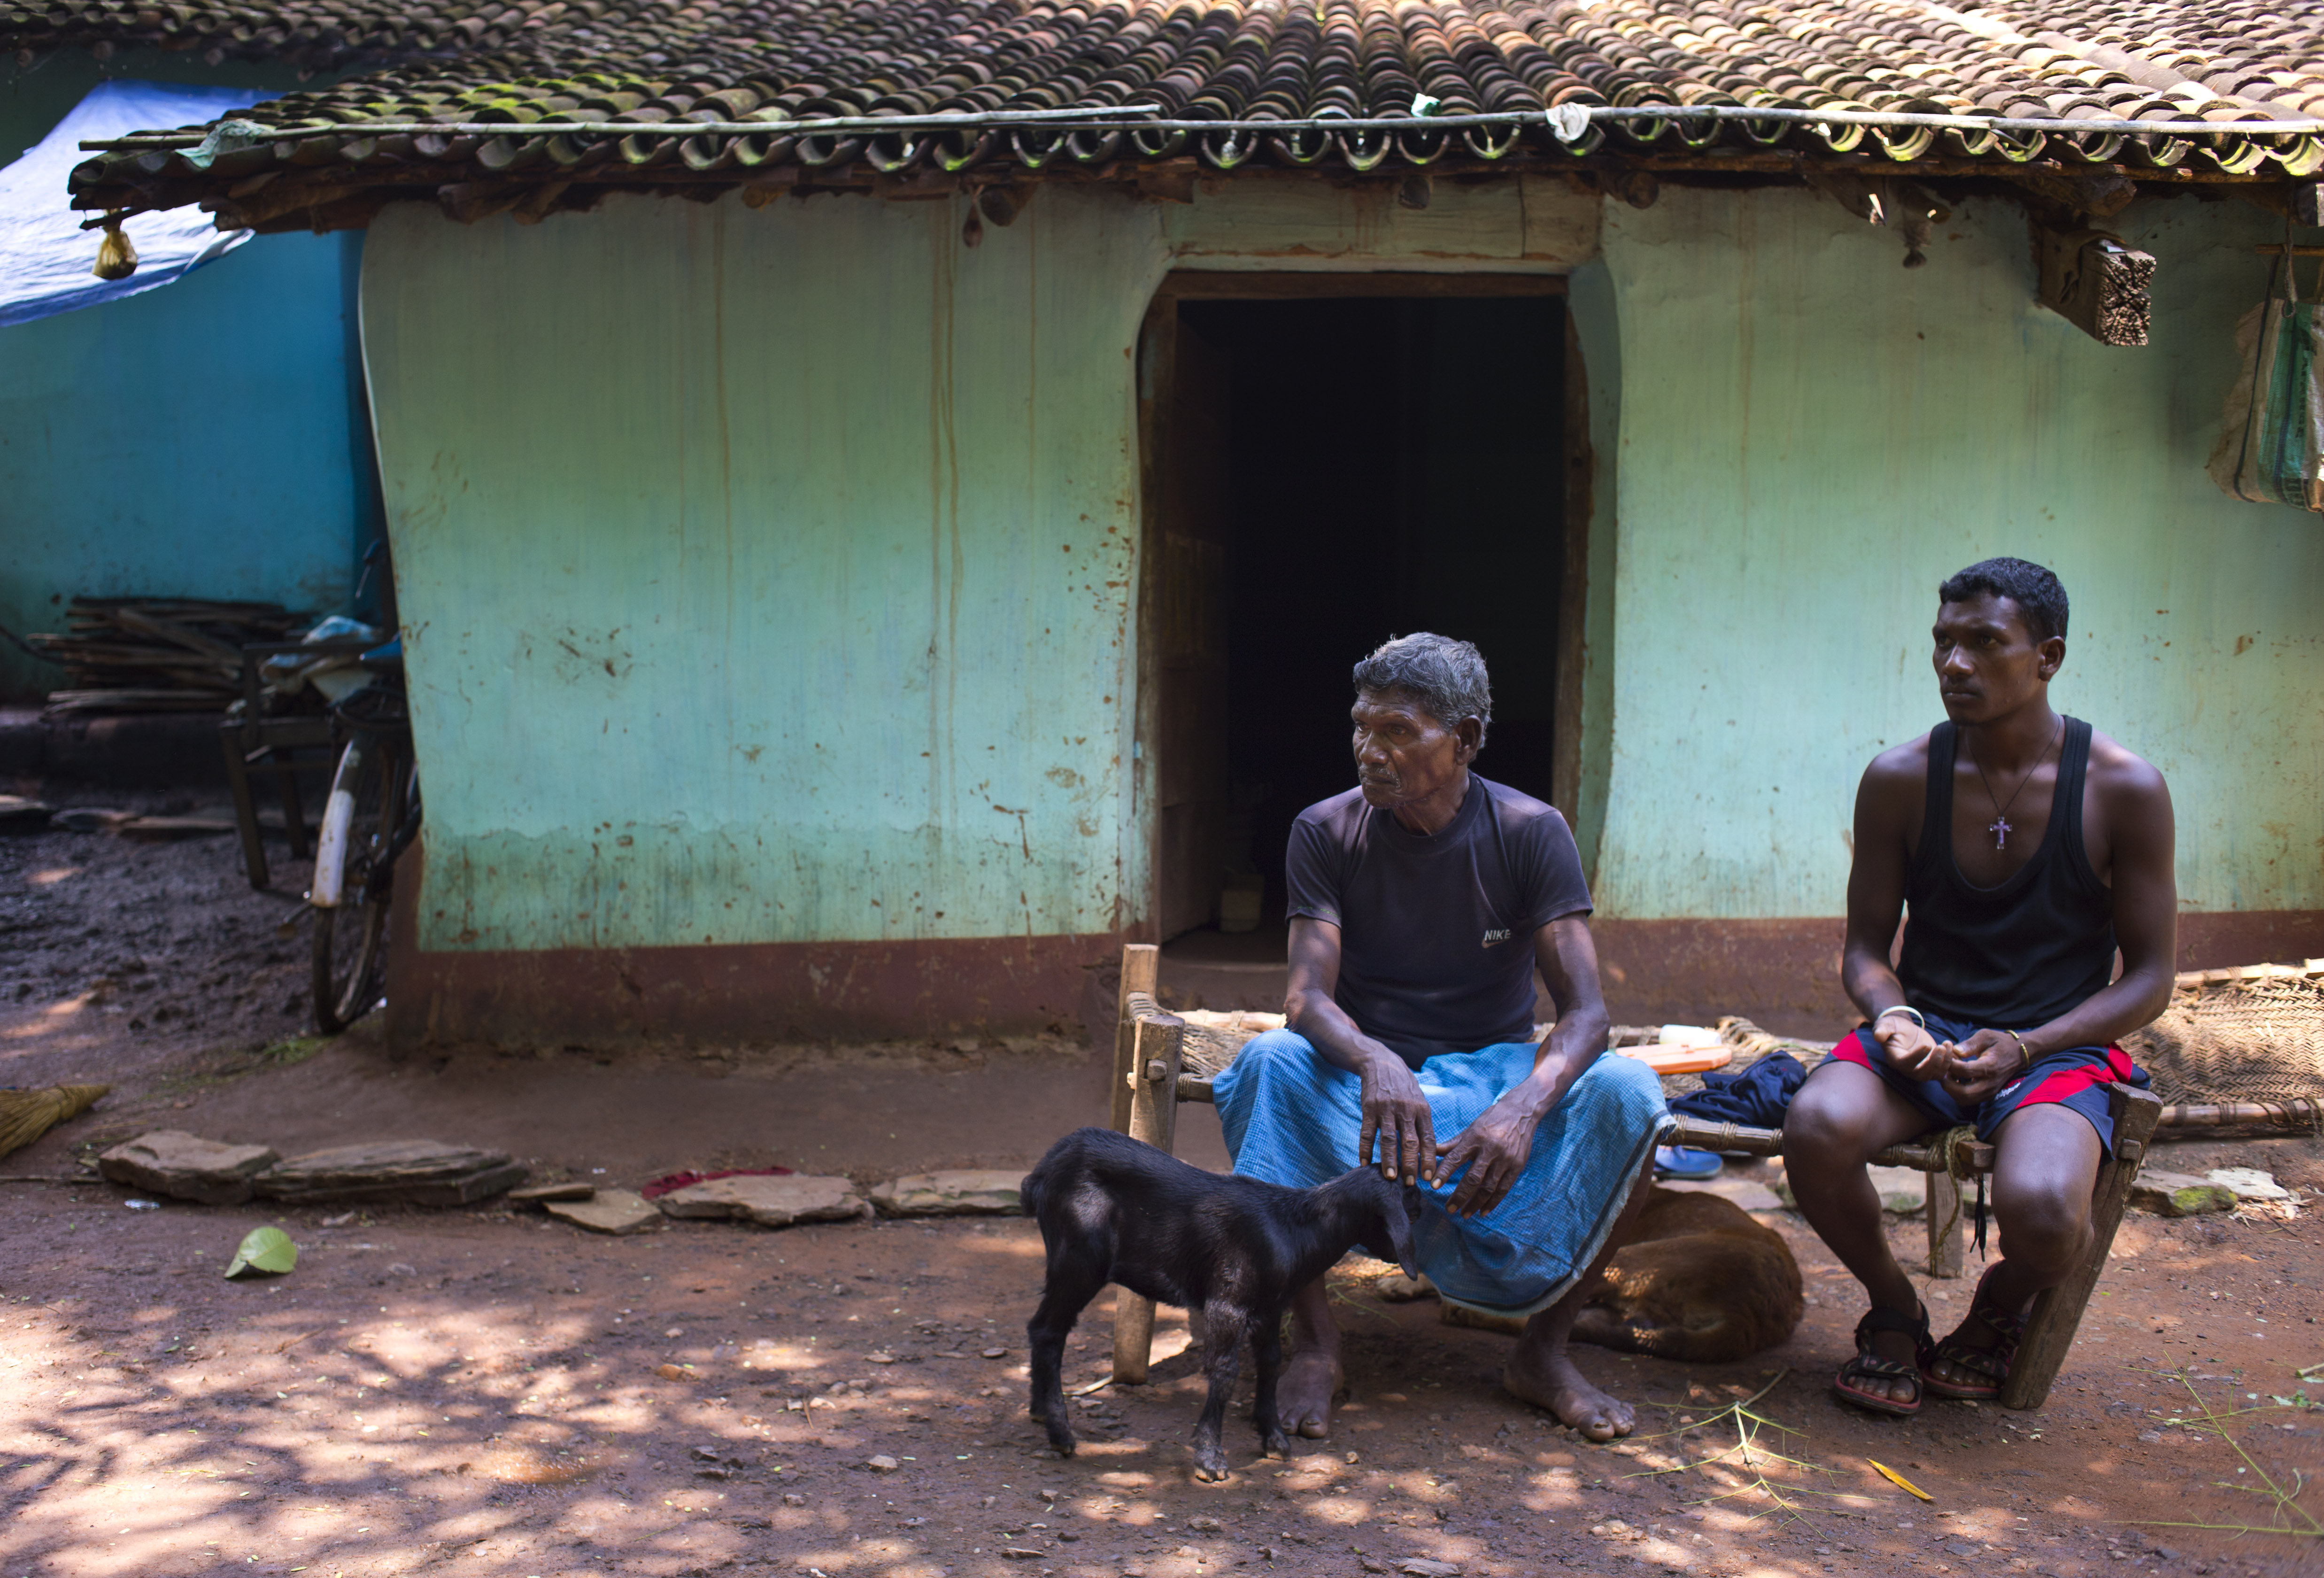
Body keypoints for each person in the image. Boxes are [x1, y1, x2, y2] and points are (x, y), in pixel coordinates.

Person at [1211, 633, 1668, 1443]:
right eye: (1361, 727)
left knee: (1629, 1091)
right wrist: (1376, 1059)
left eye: (1396, 731)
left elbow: (1587, 1012)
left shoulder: (1531, 831)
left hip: (1489, 1076)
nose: (1369, 750)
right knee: (1268, 1063)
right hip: (1361, 1080)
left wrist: (1524, 1106)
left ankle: (1543, 1350)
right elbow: (1307, 997)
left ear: (1463, 741)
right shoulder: (1324, 830)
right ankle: (1315, 1347)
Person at [1784, 558, 2176, 1416]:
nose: (1952, 664)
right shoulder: (1900, 778)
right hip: (1925, 1039)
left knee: (2042, 1210)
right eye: (1941, 643)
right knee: (1813, 1125)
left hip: (2053, 1048)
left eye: (1982, 643)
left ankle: (1997, 1306)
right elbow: (1863, 950)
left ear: (2047, 656)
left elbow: (2150, 979)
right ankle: (1893, 1307)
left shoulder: (2122, 788)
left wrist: (2028, 1045)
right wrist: (1892, 1020)